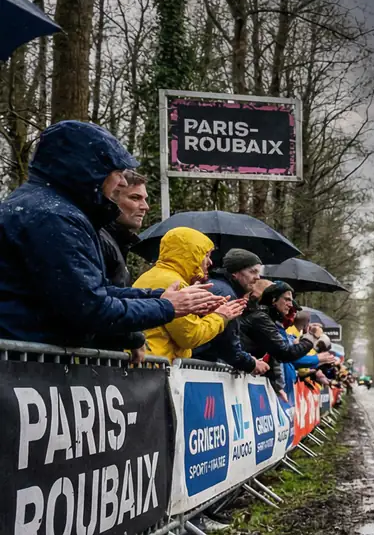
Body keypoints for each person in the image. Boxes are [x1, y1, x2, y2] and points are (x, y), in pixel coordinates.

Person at [0, 120, 222, 351]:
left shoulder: (47, 209)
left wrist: (159, 298)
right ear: (89, 171)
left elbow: (91, 293)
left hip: (28, 358)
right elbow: (89, 308)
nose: (122, 182)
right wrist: (167, 306)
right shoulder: (54, 217)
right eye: (117, 172)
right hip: (25, 361)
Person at [134, 227, 248, 360]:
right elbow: (189, 336)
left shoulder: (151, 276)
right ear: (192, 255)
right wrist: (220, 316)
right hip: (154, 363)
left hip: (146, 359)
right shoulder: (174, 283)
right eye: (206, 255)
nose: (210, 262)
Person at [240, 281, 324, 398]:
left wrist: (277, 386)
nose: (290, 305)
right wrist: (311, 337)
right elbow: (285, 353)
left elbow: (273, 357)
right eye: (287, 299)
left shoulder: (267, 318)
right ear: (274, 300)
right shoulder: (261, 318)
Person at [193, 249, 271, 375]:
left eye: (258, 272)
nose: (257, 277)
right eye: (252, 272)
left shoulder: (217, 285)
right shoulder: (226, 294)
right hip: (199, 365)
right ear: (235, 273)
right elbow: (227, 344)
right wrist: (250, 363)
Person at [97, 172, 149, 288]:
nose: (145, 206)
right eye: (135, 198)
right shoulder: (100, 240)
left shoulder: (115, 241)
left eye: (145, 199)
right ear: (111, 199)